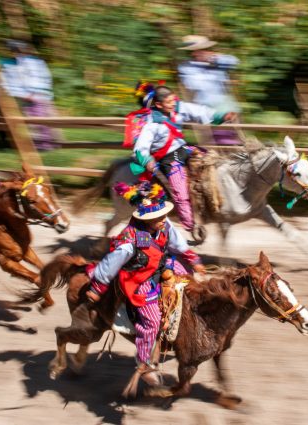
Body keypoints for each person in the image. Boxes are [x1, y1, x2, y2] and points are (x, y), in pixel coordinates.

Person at [85, 181, 205, 386]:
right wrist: (98, 286)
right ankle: (145, 361)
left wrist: (193, 259)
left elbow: (177, 243)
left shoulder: (164, 224)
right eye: (158, 218)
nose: (164, 220)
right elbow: (111, 263)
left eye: (163, 216)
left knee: (190, 282)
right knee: (152, 320)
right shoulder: (129, 241)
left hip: (161, 265)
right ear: (146, 220)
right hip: (139, 278)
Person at [130, 83, 236, 236]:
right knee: (180, 191)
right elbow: (140, 147)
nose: (173, 103)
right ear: (159, 105)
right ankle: (191, 226)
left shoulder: (178, 108)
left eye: (174, 100)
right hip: (168, 158)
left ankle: (214, 205)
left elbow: (199, 111)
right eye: (169, 102)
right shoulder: (151, 123)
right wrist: (147, 160)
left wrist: (221, 115)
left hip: (184, 149)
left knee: (213, 163)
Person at [178, 35, 241, 145]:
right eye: (199, 51)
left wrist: (216, 59)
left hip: (225, 106)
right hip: (207, 109)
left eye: (204, 50)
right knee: (218, 143)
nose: (202, 53)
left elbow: (235, 61)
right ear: (193, 52)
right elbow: (194, 85)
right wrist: (206, 66)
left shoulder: (218, 62)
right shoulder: (187, 67)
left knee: (233, 141)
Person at [0, 40, 61, 150]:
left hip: (40, 94)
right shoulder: (11, 64)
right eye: (15, 50)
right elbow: (11, 82)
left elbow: (44, 77)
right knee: (35, 121)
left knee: (47, 120)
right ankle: (43, 144)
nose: (17, 52)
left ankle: (51, 143)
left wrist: (43, 92)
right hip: (29, 96)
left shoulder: (34, 62)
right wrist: (23, 94)